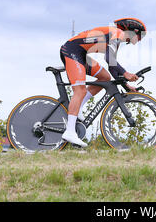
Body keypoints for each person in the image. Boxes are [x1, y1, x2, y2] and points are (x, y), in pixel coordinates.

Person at [60, 18, 147, 147]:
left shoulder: (116, 38)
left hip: (81, 54)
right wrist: (126, 73)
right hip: (71, 51)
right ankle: (70, 132)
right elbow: (109, 58)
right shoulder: (117, 33)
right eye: (140, 37)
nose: (139, 41)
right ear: (133, 31)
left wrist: (126, 85)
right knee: (80, 90)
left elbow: (112, 67)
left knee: (105, 77)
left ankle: (78, 109)